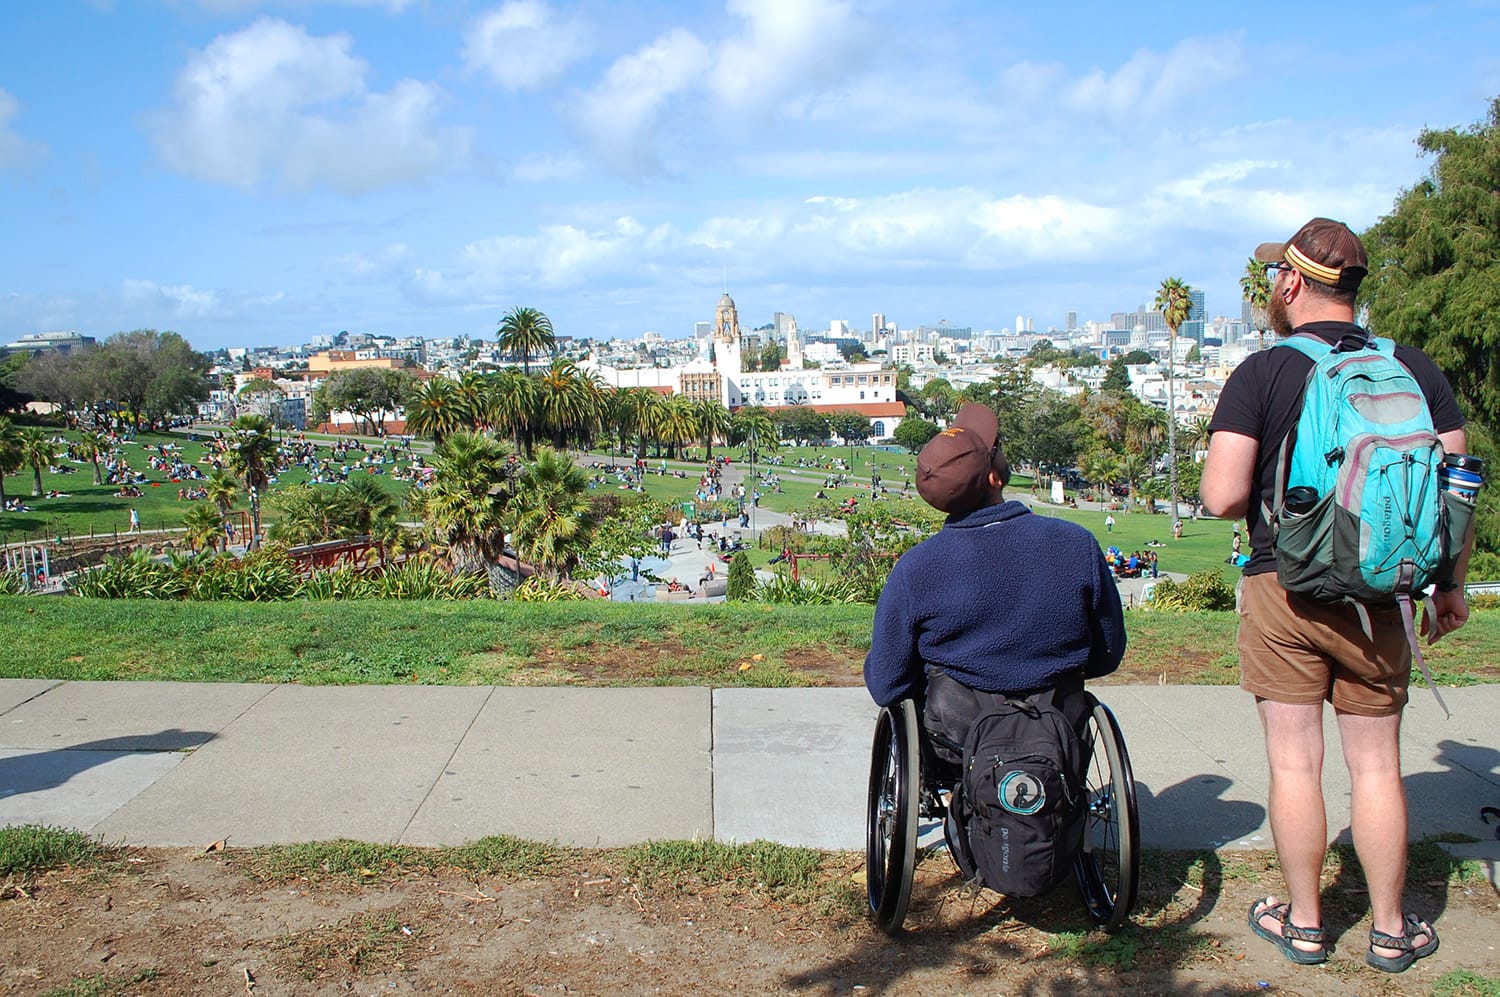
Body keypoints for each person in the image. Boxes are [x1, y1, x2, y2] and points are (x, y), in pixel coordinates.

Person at [1201, 217, 1470, 973]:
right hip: (1384, 595)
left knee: (1295, 763)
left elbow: (1222, 494)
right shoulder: (1415, 369)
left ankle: (1306, 921)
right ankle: (1391, 928)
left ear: (1291, 283)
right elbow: (1455, 495)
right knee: (1378, 764)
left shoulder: (1263, 373)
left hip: (1284, 588)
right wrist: (1447, 584)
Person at [864, 403, 1126, 763]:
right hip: (1057, 729)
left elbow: (887, 683)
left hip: (958, 739)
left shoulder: (917, 569)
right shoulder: (1075, 544)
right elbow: (1107, 654)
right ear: (994, 478)